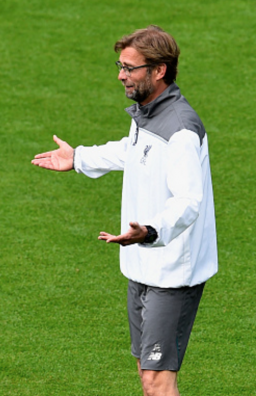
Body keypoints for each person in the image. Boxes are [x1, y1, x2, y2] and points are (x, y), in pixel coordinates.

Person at [32, 26, 217, 396]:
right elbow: (133, 151)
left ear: (159, 70)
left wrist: (149, 230)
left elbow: (188, 201)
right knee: (145, 373)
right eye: (120, 65)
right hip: (141, 265)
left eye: (130, 68)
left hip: (172, 274)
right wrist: (80, 158)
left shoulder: (180, 129)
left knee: (156, 381)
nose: (121, 74)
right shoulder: (147, 114)